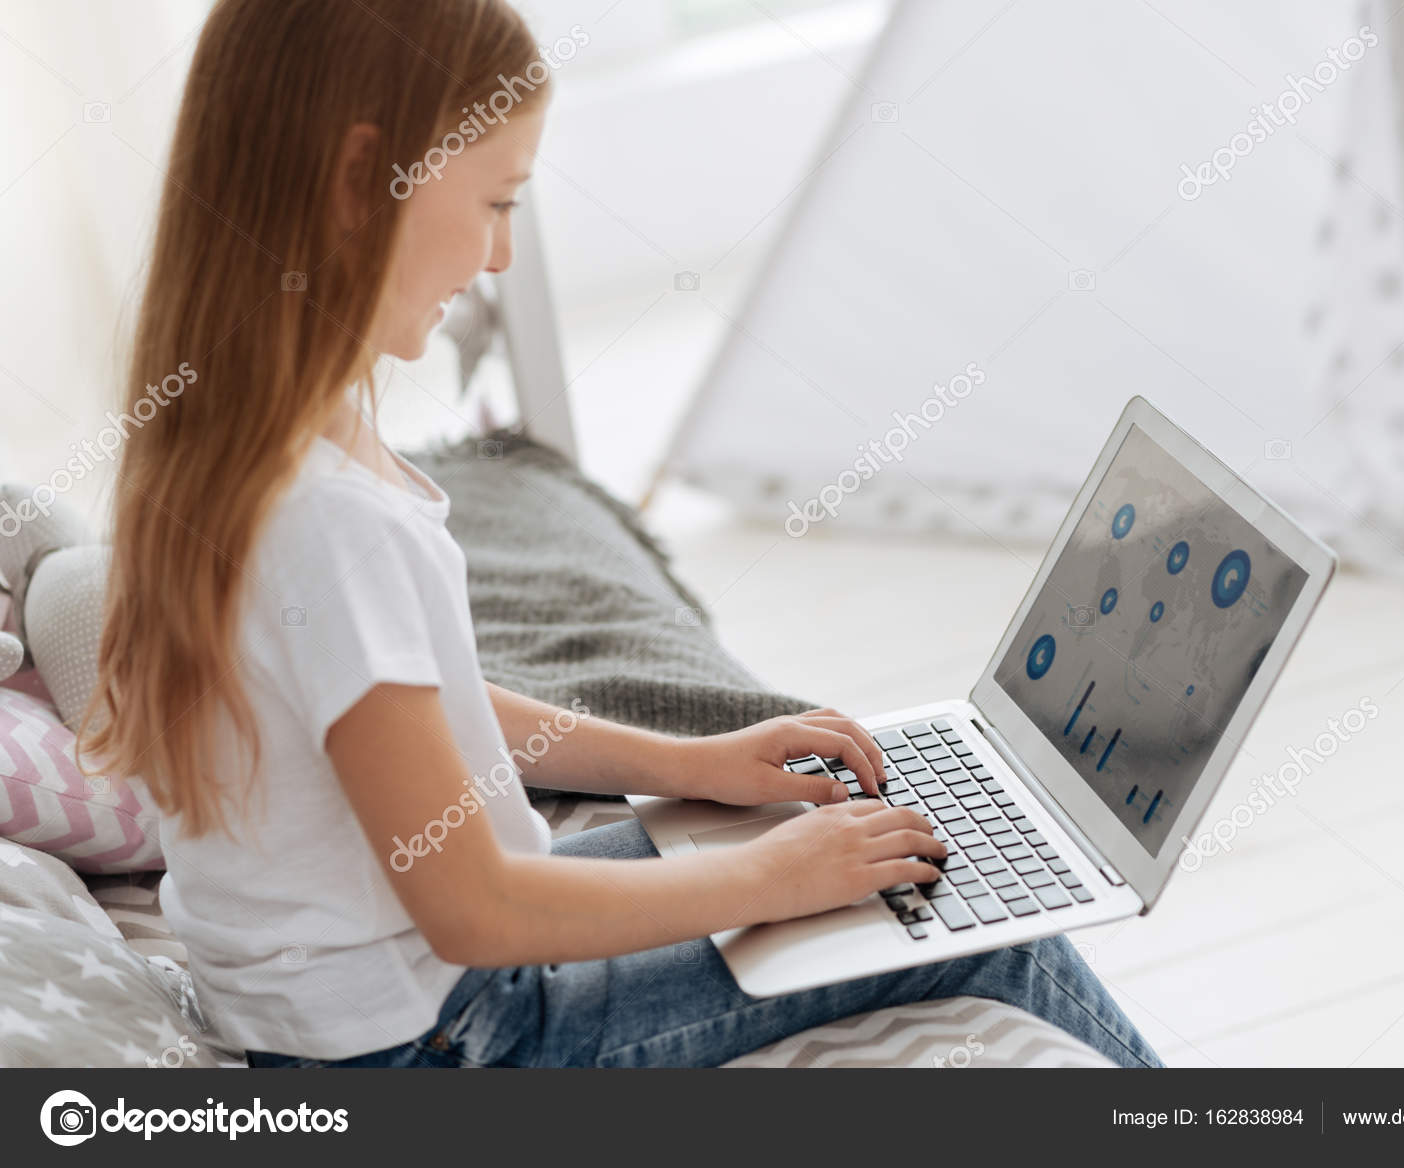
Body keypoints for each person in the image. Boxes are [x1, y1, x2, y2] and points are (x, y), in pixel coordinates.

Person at [0, 0, 1161, 1070]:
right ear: (367, 175)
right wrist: (768, 877)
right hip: (444, 1039)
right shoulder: (326, 522)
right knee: (978, 933)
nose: (501, 255)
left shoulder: (221, 435)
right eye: (497, 202)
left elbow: (416, 706)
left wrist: (689, 766)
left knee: (837, 843)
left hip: (345, 1000)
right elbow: (477, 911)